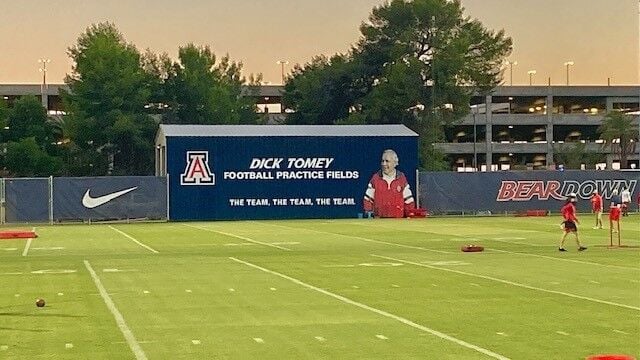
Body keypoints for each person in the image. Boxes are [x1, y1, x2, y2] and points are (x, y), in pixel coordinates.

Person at [363, 149, 415, 218]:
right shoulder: (375, 178)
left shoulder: (401, 179)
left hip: (398, 221)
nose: (384, 164)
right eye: (382, 161)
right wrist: (369, 214)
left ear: (395, 163)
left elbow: (409, 201)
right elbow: (368, 200)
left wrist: (409, 216)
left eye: (387, 161)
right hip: (379, 221)